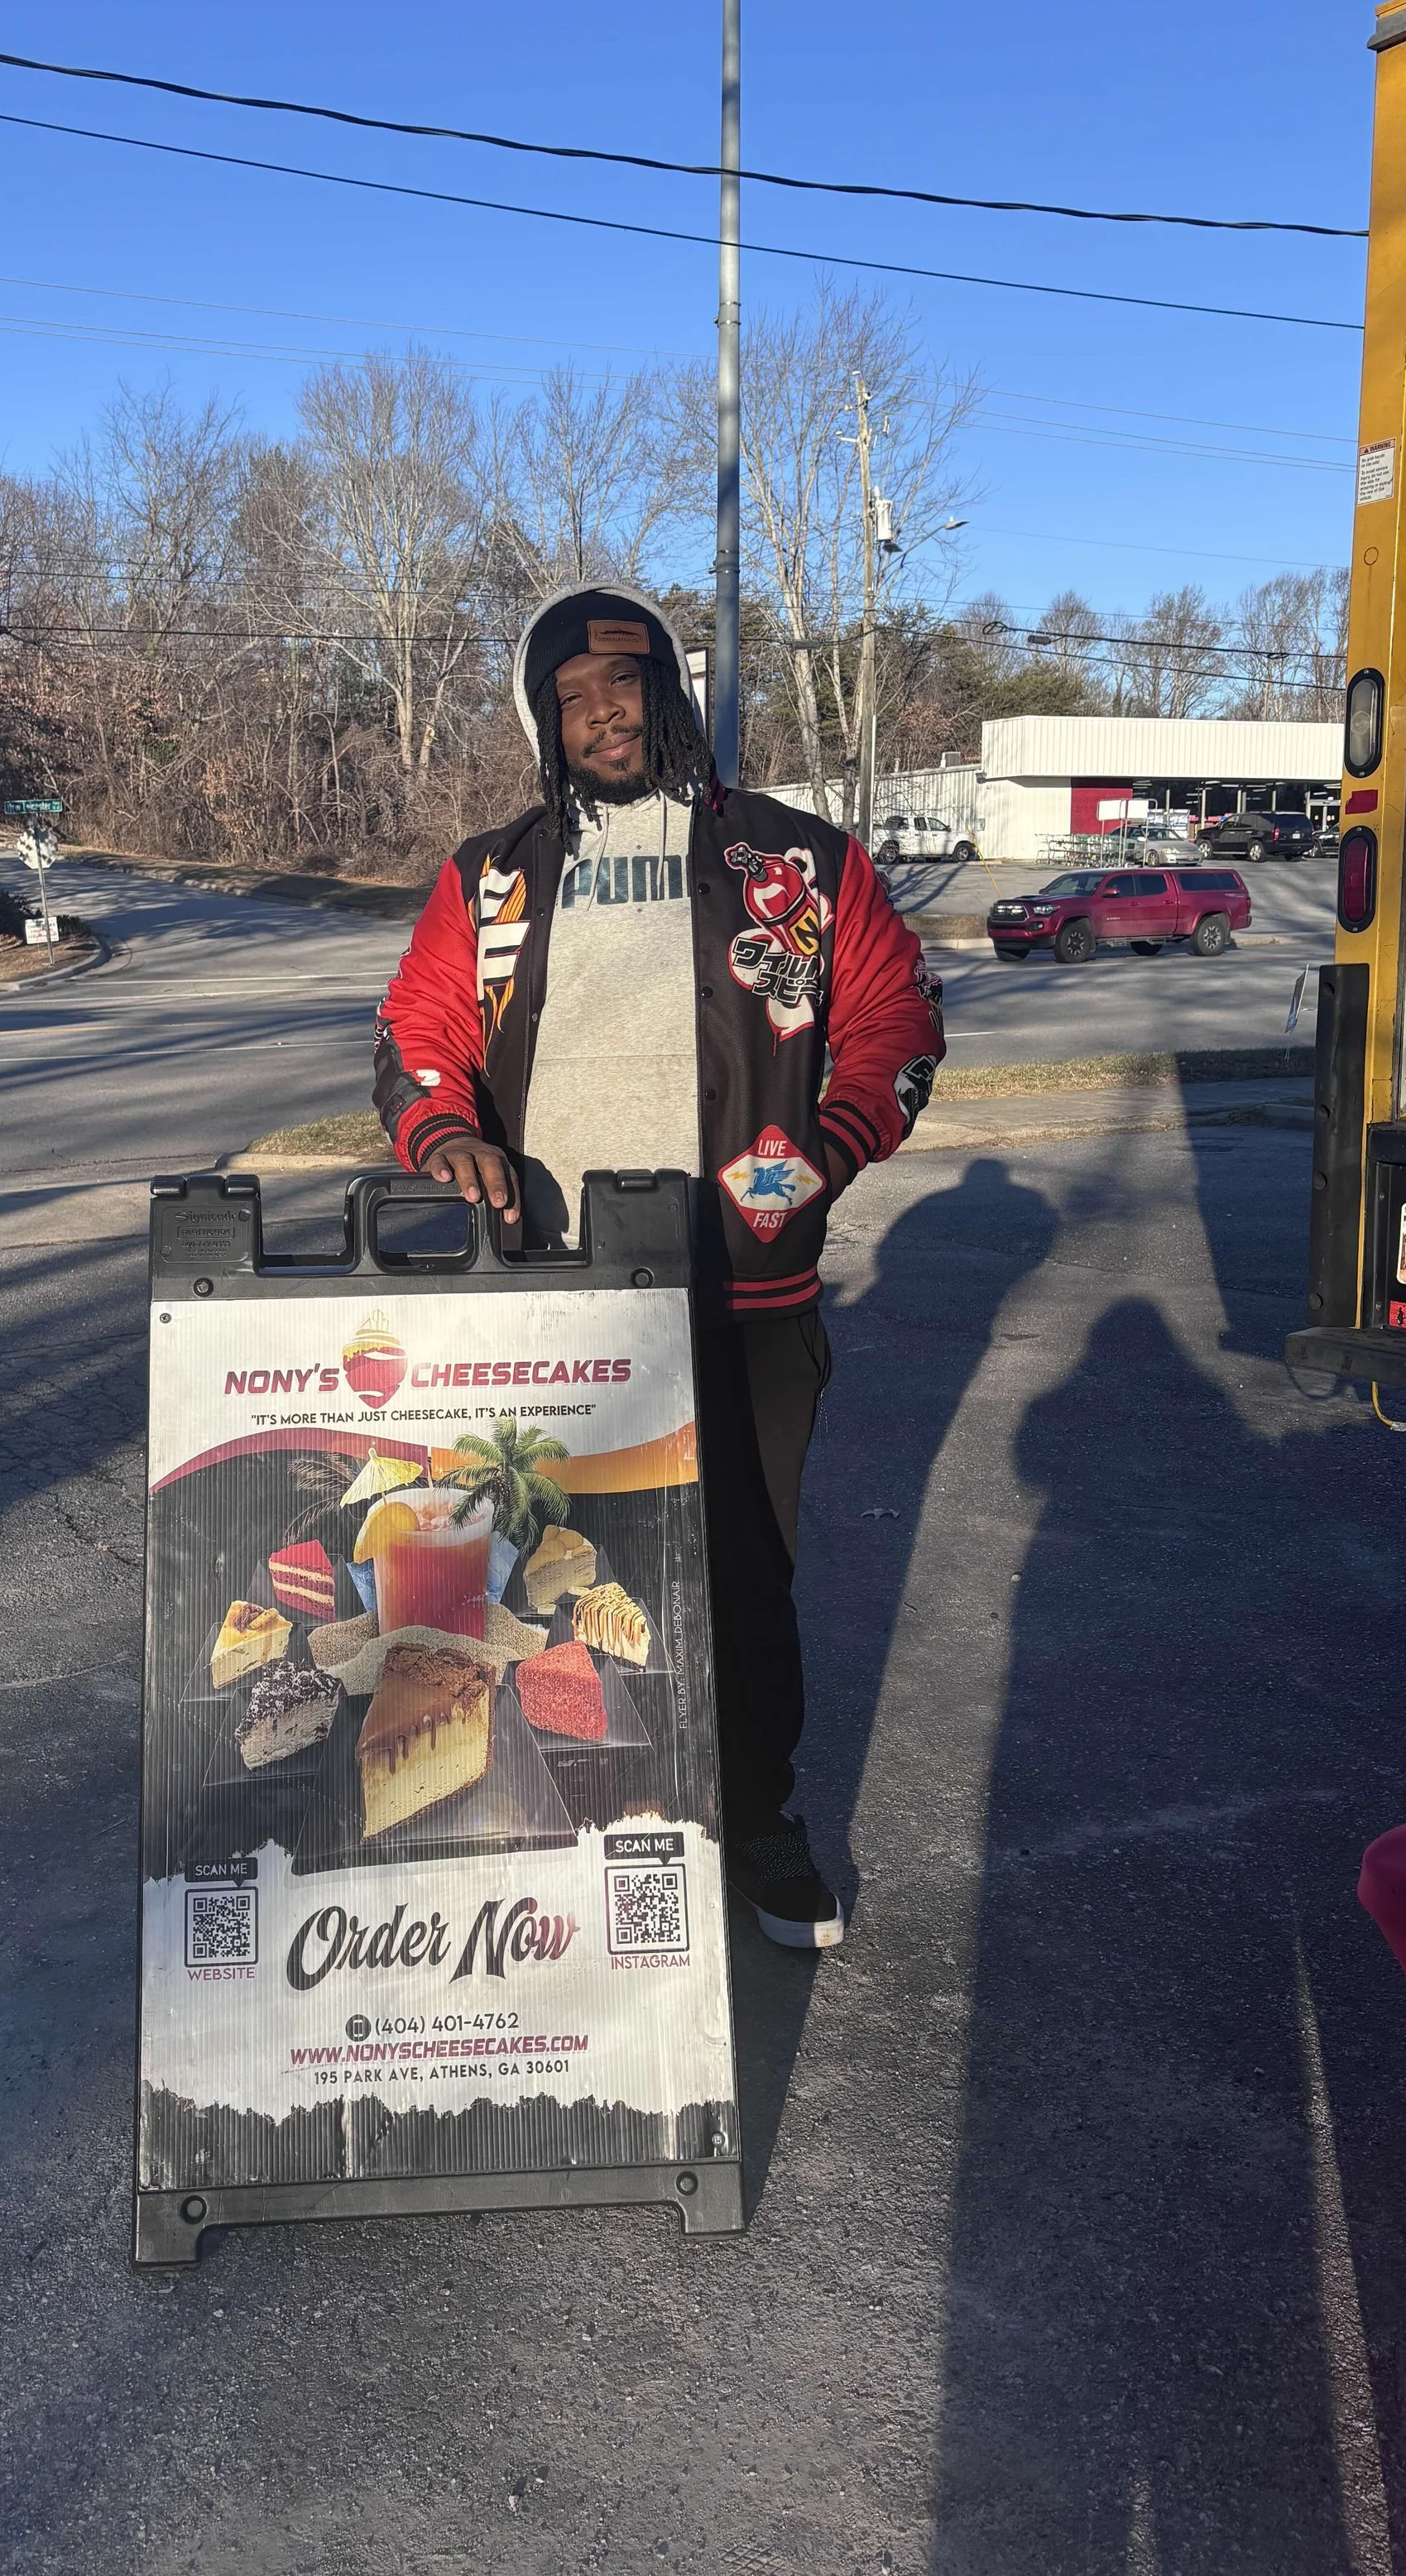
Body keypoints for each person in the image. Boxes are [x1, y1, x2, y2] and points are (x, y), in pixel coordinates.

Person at [371, 583, 943, 1949]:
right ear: (542, 725)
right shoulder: (490, 874)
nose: (601, 713)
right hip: (551, 1296)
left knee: (741, 1581)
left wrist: (823, 1152)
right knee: (540, 1581)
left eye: (623, 686)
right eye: (569, 699)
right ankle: (559, 1826)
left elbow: (896, 1017)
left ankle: (756, 1825)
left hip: (740, 1294)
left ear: (670, 693)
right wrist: (446, 1132)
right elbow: (416, 1030)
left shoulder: (795, 864)